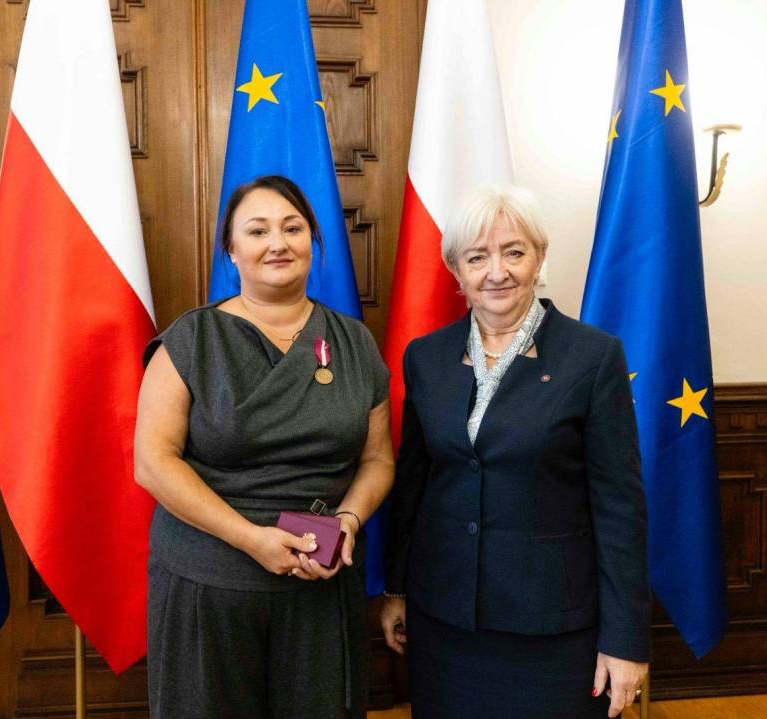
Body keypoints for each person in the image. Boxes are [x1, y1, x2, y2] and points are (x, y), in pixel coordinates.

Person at [379, 184, 651, 719]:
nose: (496, 272)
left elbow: (620, 507)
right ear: (456, 269)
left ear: (539, 256)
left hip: (552, 627)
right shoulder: (426, 357)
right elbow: (414, 482)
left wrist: (625, 641)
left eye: (513, 252)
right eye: (477, 257)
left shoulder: (593, 357)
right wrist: (396, 589)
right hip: (444, 618)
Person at [135, 175, 394, 719]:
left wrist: (349, 519)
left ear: (312, 242)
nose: (277, 243)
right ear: (231, 251)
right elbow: (153, 464)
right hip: (210, 586)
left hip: (322, 583)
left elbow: (377, 459)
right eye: (257, 231)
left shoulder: (354, 342)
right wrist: (251, 539)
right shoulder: (191, 340)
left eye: (292, 228)